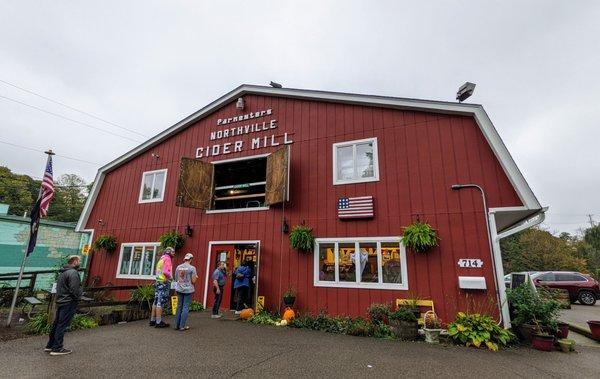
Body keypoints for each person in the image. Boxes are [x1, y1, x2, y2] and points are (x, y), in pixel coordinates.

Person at [45, 255, 82, 356]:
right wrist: (79, 297)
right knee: (62, 324)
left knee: (57, 323)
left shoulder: (63, 272)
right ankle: (57, 348)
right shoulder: (73, 273)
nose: (80, 263)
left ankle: (50, 345)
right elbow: (74, 289)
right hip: (69, 302)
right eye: (79, 261)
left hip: (61, 301)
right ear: (74, 261)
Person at [150, 247, 175, 328]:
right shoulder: (167, 259)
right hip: (163, 282)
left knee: (156, 300)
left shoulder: (161, 259)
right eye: (173, 252)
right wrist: (171, 278)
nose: (174, 253)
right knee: (160, 302)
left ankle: (152, 320)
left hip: (158, 281)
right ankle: (158, 322)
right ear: (169, 252)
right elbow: (165, 272)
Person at [173, 253, 198, 331]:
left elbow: (176, 278)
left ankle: (176, 325)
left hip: (179, 288)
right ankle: (182, 326)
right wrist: (196, 277)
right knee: (185, 307)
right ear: (191, 259)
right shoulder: (192, 268)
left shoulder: (178, 267)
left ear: (185, 259)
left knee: (179, 306)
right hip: (188, 289)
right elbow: (193, 281)